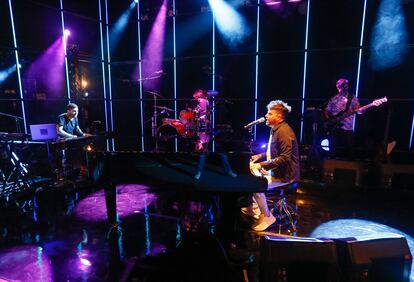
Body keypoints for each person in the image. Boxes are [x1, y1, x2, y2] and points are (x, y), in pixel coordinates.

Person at [248, 100, 300, 231]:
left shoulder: (284, 132)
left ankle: (267, 216)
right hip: (277, 172)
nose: (266, 115)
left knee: (256, 185)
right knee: (252, 179)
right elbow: (274, 152)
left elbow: (284, 158)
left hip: (286, 176)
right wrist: (260, 156)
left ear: (278, 117)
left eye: (269, 113)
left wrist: (260, 165)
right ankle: (255, 209)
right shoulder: (276, 129)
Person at [192, 90, 237, 180]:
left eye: (198, 98)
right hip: (205, 131)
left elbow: (216, 93)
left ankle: (228, 171)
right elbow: (197, 113)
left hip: (213, 131)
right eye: (197, 99)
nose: (199, 101)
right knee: (203, 153)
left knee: (221, 152)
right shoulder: (202, 103)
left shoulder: (207, 102)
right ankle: (199, 172)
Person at [324, 78, 360, 159]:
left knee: (350, 151)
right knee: (333, 149)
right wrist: (329, 120)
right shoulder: (333, 99)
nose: (341, 88)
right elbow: (327, 110)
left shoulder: (352, 98)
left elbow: (358, 109)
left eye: (343, 86)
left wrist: (360, 110)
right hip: (336, 127)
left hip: (348, 128)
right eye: (339, 86)